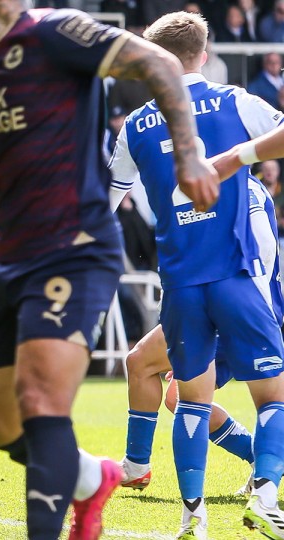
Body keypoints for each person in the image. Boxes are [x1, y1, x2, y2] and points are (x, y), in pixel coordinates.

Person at [0, 3, 218, 539]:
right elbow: (2, 169)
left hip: (73, 248)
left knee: (38, 400)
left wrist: (190, 153)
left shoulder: (54, 31)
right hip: (9, 257)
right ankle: (88, 474)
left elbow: (159, 64)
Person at [109, 12, 284, 537]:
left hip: (181, 284)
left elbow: (100, 204)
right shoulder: (236, 102)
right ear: (203, 55)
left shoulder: (134, 126)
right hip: (239, 278)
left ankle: (192, 519)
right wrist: (238, 157)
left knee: (188, 400)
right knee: (273, 398)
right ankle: (267, 493)